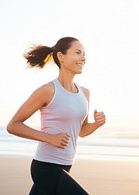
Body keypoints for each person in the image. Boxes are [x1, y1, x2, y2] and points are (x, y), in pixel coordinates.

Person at [7, 37, 106, 195]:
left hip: (67, 164)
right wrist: (49, 138)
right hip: (45, 166)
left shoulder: (85, 93)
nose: (83, 58)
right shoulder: (48, 90)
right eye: (78, 53)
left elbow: (81, 131)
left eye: (84, 54)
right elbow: (13, 125)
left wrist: (96, 124)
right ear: (61, 56)